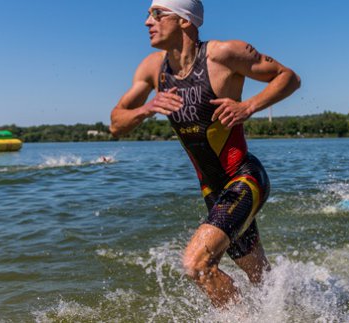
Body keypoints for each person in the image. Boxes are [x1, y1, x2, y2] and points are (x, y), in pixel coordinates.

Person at [109, 0, 300, 307]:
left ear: (185, 21)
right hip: (213, 192)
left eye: (157, 13)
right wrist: (147, 108)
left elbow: (288, 77)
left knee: (197, 263)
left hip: (245, 180)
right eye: (148, 14)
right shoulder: (152, 68)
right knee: (260, 277)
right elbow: (116, 124)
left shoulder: (224, 54)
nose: (147, 21)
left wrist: (248, 106)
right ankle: (301, 309)